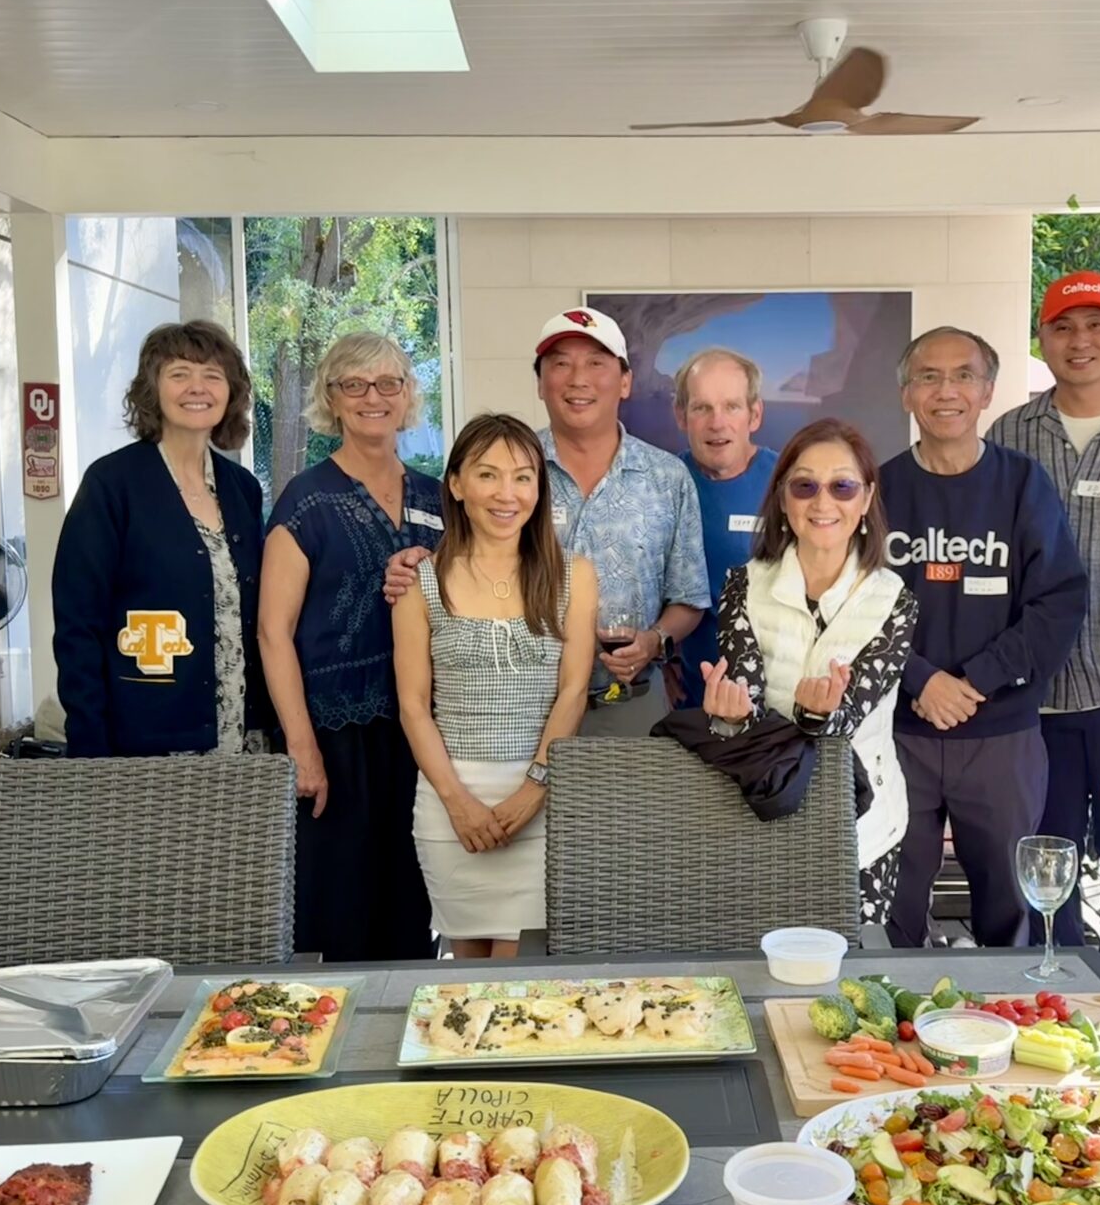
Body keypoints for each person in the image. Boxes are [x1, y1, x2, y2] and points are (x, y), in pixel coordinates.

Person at [383, 307, 709, 736]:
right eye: (561, 364)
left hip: (628, 703)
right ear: (540, 383)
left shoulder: (667, 478)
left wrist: (655, 639)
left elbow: (689, 596)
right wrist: (416, 563)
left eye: (596, 363)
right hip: (523, 707)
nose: (578, 379)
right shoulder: (510, 468)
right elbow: (460, 557)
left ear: (626, 381)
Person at [987, 272, 1100, 1003]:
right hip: (1036, 695)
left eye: (1097, 325)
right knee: (1046, 865)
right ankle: (1058, 1002)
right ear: (1042, 339)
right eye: (1063, 327)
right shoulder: (1011, 434)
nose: (1081, 341)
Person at [880, 327, 1086, 949]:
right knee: (891, 907)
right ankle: (893, 1013)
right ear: (906, 393)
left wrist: (974, 680)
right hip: (897, 735)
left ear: (988, 391)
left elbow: (1059, 601)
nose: (946, 391)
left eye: (963, 376)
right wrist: (922, 680)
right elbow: (852, 607)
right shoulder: (876, 489)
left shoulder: (1023, 484)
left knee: (1012, 911)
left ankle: (1006, 1010)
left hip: (1001, 735)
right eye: (929, 377)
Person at [260, 332, 444, 961]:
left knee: (413, 911)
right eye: (355, 385)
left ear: (408, 395)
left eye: (389, 383)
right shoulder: (306, 500)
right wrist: (301, 747)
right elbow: (273, 632)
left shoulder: (438, 497)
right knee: (337, 913)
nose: (374, 397)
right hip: (335, 738)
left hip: (423, 732)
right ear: (331, 398)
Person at [393, 413, 597, 957]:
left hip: (541, 802)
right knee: (466, 978)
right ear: (457, 485)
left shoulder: (574, 576)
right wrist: (457, 801)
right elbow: (413, 706)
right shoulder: (420, 580)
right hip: (448, 804)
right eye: (488, 475)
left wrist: (535, 787)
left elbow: (573, 691)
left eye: (523, 477)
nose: (507, 494)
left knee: (518, 981)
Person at [698, 418, 917, 924]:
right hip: (761, 816)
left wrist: (816, 716)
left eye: (842, 486)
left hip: (862, 828)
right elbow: (744, 704)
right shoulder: (744, 584)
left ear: (866, 499)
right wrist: (729, 716)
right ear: (783, 498)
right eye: (805, 486)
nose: (823, 503)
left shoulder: (894, 600)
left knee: (850, 967)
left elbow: (848, 718)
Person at [54, 320, 269, 757]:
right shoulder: (111, 485)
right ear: (152, 388)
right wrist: (90, 747)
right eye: (179, 374)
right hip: (147, 742)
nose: (197, 387)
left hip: (243, 739)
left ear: (230, 392)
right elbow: (78, 626)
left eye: (212, 375)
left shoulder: (242, 488)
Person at [670, 347, 778, 709]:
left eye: (731, 406)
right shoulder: (662, 485)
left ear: (754, 414)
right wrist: (661, 659)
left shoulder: (791, 484)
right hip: (689, 703)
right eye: (702, 408)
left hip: (775, 705)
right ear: (681, 416)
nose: (717, 423)